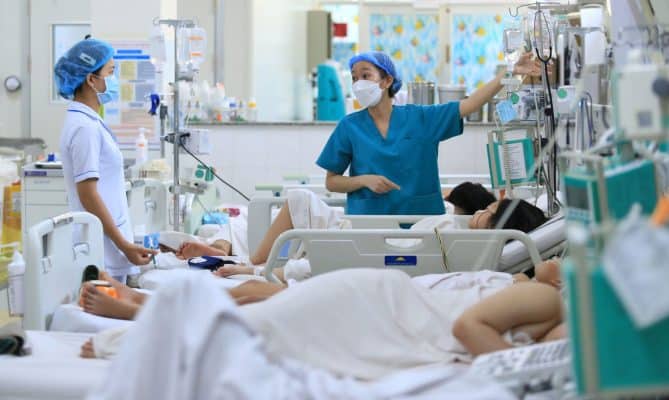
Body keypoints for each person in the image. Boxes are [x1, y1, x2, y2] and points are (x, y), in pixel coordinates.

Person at [80, 266, 565, 379]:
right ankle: (133, 335)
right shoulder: (547, 297)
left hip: (387, 322)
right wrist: (524, 373)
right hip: (377, 311)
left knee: (260, 329)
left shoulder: (563, 324)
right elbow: (467, 329)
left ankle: (146, 317)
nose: (559, 261)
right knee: (258, 325)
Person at [316, 51, 543, 215]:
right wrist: (364, 180)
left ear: (387, 81)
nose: (358, 83)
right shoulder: (349, 126)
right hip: (369, 224)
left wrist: (509, 73)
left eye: (365, 76)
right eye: (354, 78)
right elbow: (332, 182)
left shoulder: (421, 118)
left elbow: (471, 104)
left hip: (420, 222)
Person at [77, 256, 562, 322]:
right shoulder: (511, 279)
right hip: (387, 294)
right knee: (253, 291)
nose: (558, 259)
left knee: (256, 304)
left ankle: (142, 311)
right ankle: (147, 300)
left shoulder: (544, 301)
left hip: (388, 309)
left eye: (568, 261)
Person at [55, 38, 157, 281]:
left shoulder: (89, 121)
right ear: (91, 80)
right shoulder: (84, 128)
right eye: (111, 72)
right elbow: (88, 195)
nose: (115, 79)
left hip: (106, 242)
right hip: (101, 247)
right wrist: (123, 244)